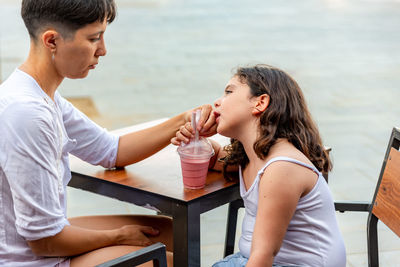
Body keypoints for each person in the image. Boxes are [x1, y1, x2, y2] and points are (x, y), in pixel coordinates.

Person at [0, 0, 216, 266]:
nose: (103, 50)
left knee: (171, 232)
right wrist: (117, 236)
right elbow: (44, 240)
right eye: (94, 38)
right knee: (166, 260)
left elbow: (110, 150)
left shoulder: (43, 95)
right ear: (52, 41)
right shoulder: (27, 114)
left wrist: (186, 119)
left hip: (42, 240)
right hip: (31, 258)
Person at [172, 64, 346, 266]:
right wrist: (197, 139)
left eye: (229, 92)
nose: (217, 102)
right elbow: (215, 159)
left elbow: (264, 254)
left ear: (260, 103)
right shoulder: (251, 154)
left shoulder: (281, 168)